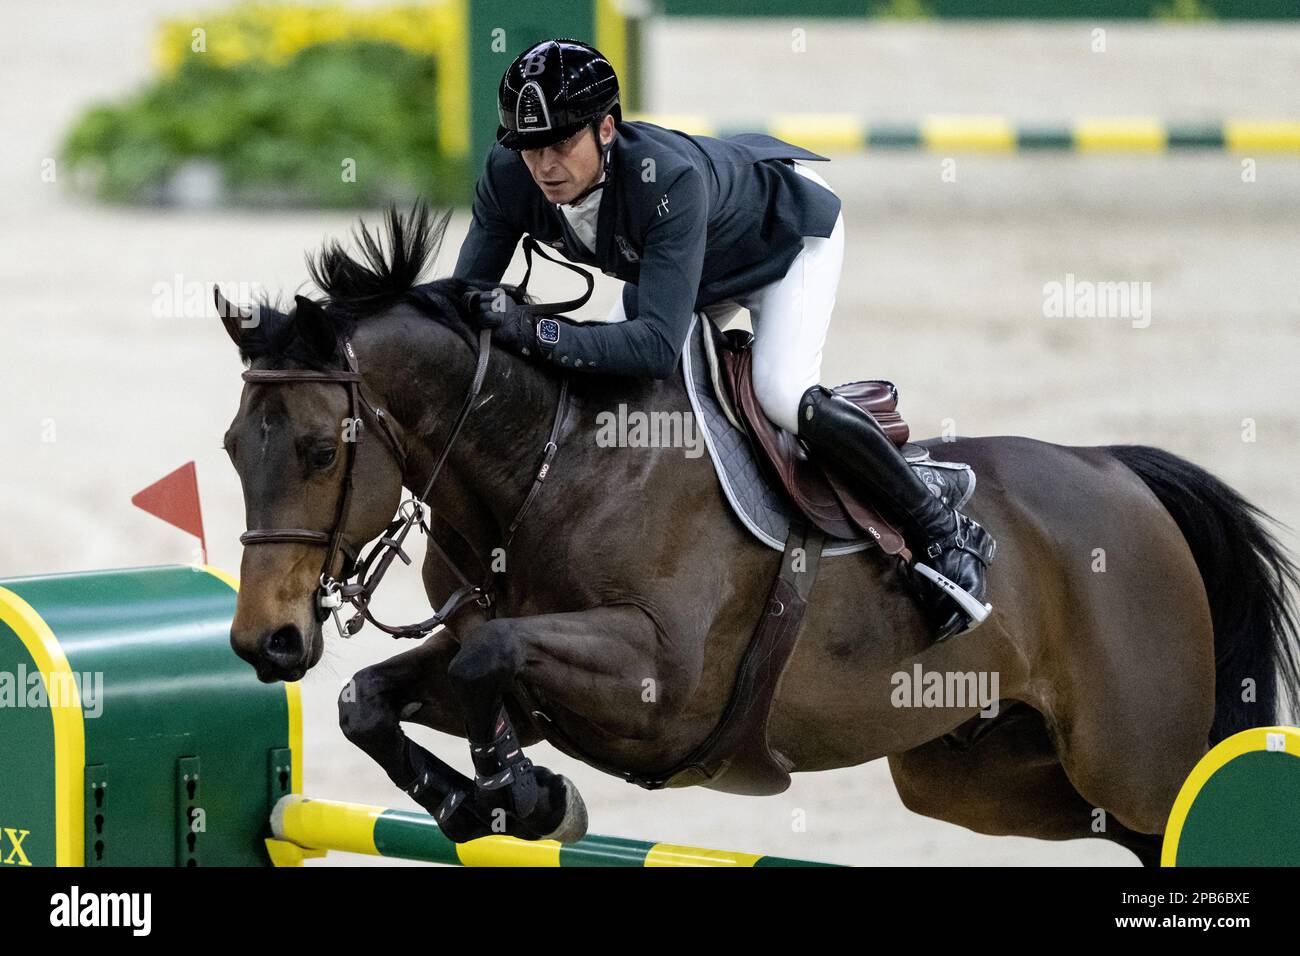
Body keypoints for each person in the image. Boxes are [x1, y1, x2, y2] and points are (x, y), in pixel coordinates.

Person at [453, 38, 995, 641]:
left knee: (781, 392)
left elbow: (655, 348)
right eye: (529, 148)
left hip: (783, 239)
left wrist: (530, 327)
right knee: (596, 392)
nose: (544, 166)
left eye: (560, 144)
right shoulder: (510, 178)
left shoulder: (667, 179)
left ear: (606, 128)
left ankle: (940, 523)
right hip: (685, 264)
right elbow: (458, 299)